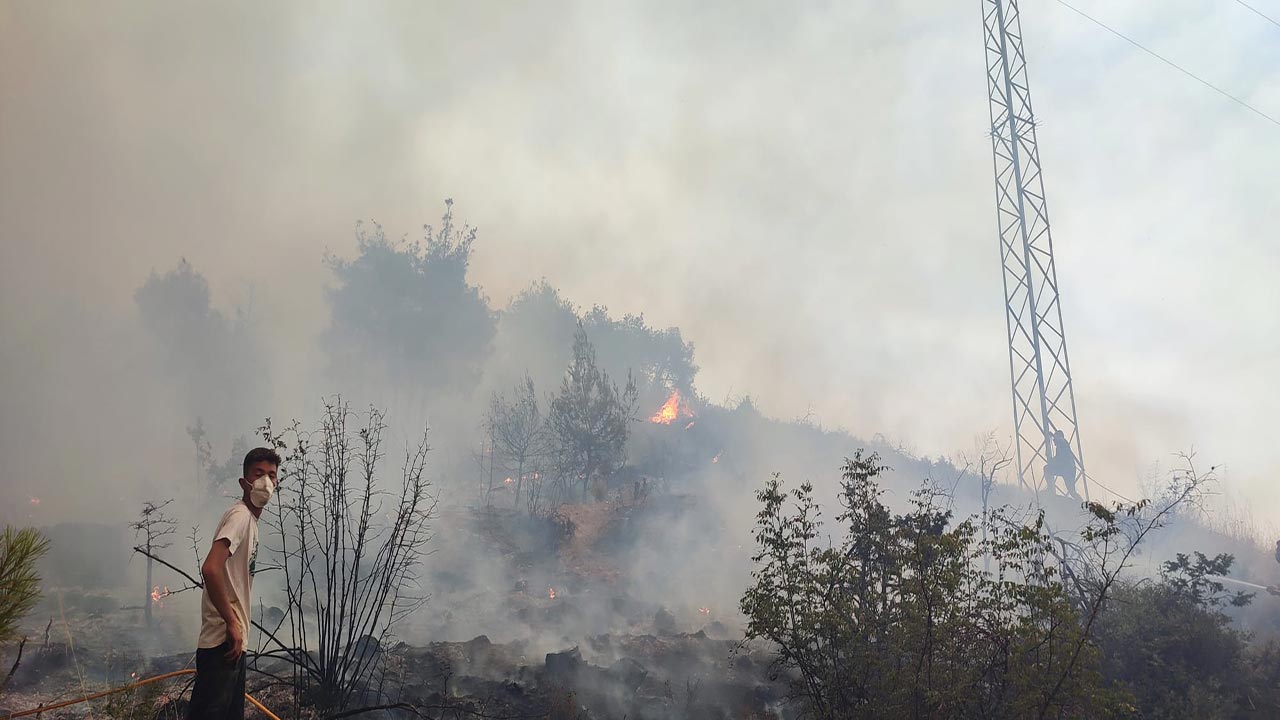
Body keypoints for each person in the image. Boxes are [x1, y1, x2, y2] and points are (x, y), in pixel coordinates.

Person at [188, 447, 279, 720]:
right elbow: (211, 568)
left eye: (271, 475)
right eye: (258, 474)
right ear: (244, 482)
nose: (265, 481)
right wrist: (231, 622)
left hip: (232, 644)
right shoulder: (240, 517)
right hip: (222, 643)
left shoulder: (250, 521)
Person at [1043, 429, 1079, 500]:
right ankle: (1051, 490)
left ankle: (1081, 502)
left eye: (1055, 438)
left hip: (1068, 470)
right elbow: (1056, 459)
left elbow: (1060, 439)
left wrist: (1053, 435)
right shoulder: (1059, 448)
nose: (1053, 441)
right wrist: (1049, 458)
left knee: (1072, 491)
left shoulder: (1063, 442)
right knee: (1047, 469)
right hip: (1064, 469)